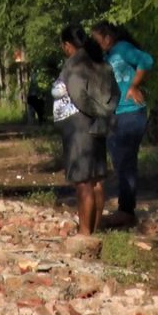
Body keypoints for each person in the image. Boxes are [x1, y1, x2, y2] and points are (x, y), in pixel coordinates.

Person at [91, 21, 154, 229]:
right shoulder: (107, 56)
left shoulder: (123, 49)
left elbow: (146, 60)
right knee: (121, 163)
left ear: (107, 37)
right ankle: (125, 209)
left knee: (125, 163)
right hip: (116, 114)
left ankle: (126, 211)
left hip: (130, 112)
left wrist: (135, 85)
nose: (95, 43)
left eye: (97, 39)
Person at [52, 25, 111, 237]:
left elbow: (78, 95)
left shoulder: (75, 65)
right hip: (96, 126)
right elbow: (113, 92)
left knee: (83, 181)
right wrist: (103, 113)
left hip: (80, 128)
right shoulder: (98, 61)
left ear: (67, 45)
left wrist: (92, 112)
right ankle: (93, 230)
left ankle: (85, 233)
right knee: (96, 180)